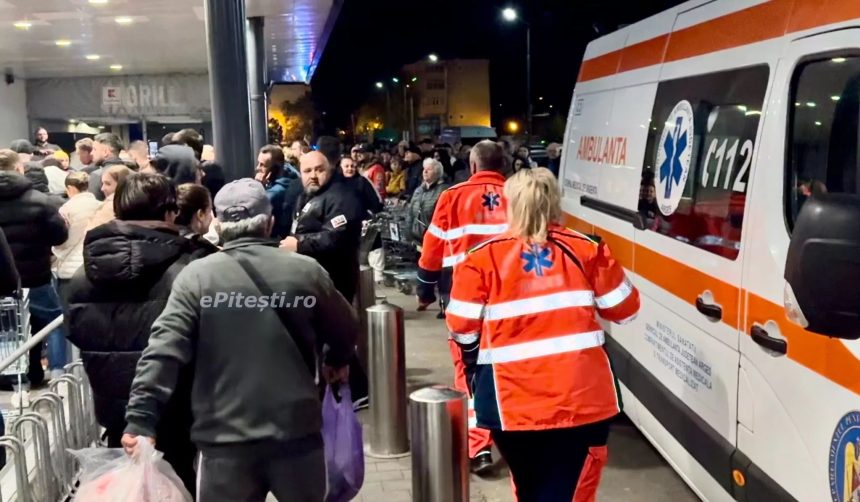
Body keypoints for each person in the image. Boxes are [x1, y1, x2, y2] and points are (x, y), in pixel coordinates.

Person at [121, 178, 357, 502]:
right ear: (270, 222)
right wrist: (336, 359)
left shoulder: (197, 278)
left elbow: (162, 351)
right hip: (296, 433)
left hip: (223, 442)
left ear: (218, 224)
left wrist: (140, 419)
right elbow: (345, 327)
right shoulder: (306, 271)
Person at [447, 168, 640, 501]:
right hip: (582, 401)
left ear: (510, 205)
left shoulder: (480, 258)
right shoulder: (587, 249)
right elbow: (625, 310)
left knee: (530, 488)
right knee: (569, 492)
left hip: (510, 405)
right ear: (554, 203)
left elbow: (462, 329)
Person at [65, 173, 199, 494]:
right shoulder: (189, 268)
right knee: (177, 486)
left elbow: (76, 331)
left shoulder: (84, 275)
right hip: (178, 406)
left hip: (114, 411)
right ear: (170, 213)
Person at [417, 140, 510, 474]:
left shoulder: (453, 196)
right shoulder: (519, 195)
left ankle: (479, 448)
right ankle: (513, 432)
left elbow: (432, 249)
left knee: (468, 372)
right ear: (503, 165)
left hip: (468, 301)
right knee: (510, 368)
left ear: (472, 166)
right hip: (512, 302)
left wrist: (424, 290)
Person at [0, 149, 68, 385]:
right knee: (54, 322)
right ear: (19, 168)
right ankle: (58, 372)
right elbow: (59, 236)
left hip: (2, 281)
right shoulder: (41, 201)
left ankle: (11, 376)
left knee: (9, 329)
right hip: (36, 277)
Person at [281, 151, 365, 302]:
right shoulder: (306, 194)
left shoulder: (341, 197)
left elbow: (337, 236)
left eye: (319, 169)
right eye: (307, 171)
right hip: (311, 276)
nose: (313, 175)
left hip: (334, 279)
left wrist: (300, 244)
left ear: (329, 170)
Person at [409, 158, 450, 317]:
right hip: (419, 238)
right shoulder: (418, 190)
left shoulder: (444, 191)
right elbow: (411, 213)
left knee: (442, 276)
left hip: (438, 239)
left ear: (438, 172)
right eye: (424, 169)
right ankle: (425, 297)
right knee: (423, 272)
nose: (425, 171)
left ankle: (444, 306)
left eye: (429, 169)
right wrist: (409, 233)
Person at [52, 172, 101, 296]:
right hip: (96, 265)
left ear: (70, 188)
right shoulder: (101, 206)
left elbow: (63, 241)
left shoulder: (66, 209)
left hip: (70, 269)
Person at [256, 145, 297, 239]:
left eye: (262, 165)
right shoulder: (291, 175)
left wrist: (259, 188)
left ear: (275, 168)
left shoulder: (275, 193)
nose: (257, 168)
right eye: (258, 163)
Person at [175, 183, 219, 258]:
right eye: (210, 210)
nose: (212, 217)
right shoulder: (205, 253)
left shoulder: (163, 243)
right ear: (200, 215)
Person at [87, 165, 133, 231]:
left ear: (121, 184)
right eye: (102, 183)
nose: (102, 188)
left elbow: (90, 232)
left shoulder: (112, 207)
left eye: (108, 184)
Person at [88, 133, 125, 201]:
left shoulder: (97, 176)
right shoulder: (133, 172)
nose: (91, 153)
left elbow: (94, 207)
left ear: (105, 152)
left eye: (94, 149)